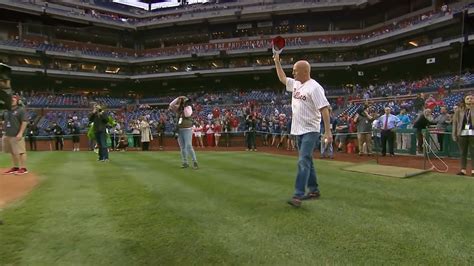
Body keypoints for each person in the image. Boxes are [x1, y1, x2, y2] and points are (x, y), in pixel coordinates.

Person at [274, 53, 332, 208]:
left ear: (305, 71)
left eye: (295, 70)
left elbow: (324, 110)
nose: (292, 73)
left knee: (303, 161)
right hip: (298, 129)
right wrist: (277, 62)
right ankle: (314, 190)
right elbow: (282, 78)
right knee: (308, 160)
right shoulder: (296, 84)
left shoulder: (315, 87)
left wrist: (328, 132)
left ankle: (298, 195)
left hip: (311, 130)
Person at [169, 96, 198, 169]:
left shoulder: (188, 107)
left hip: (187, 129)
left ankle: (194, 162)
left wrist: (185, 105)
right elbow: (171, 105)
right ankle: (185, 162)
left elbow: (187, 114)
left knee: (188, 145)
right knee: (182, 147)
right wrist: (178, 98)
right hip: (179, 129)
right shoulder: (178, 108)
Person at [2, 95, 28, 175]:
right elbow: (4, 121)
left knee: (21, 152)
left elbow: (24, 122)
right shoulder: (6, 111)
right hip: (8, 134)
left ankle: (23, 168)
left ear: (17, 101)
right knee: (12, 152)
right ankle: (15, 167)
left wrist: (20, 133)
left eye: (13, 99)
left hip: (17, 135)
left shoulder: (21, 110)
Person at [452, 94, 474, 176]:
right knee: (462, 153)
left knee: (473, 152)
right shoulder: (459, 110)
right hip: (462, 134)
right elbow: (455, 123)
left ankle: (473, 171)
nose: (470, 100)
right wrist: (454, 135)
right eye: (467, 98)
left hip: (472, 134)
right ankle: (463, 170)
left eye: (471, 98)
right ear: (464, 100)